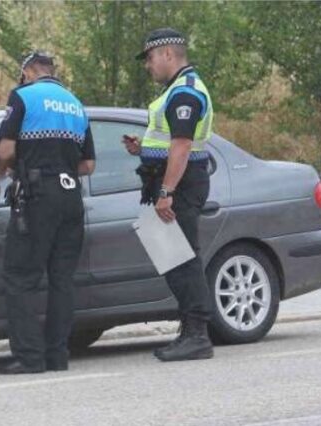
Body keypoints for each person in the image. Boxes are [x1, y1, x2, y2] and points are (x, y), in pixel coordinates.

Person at [0, 51, 96, 374]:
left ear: (27, 71)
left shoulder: (24, 96)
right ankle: (57, 356)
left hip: (38, 197)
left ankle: (29, 357)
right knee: (61, 280)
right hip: (71, 199)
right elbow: (88, 165)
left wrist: (7, 169)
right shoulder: (75, 103)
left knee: (20, 277)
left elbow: (6, 148)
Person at [123, 28, 215, 362]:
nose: (148, 66)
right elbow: (168, 143)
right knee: (171, 259)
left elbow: (182, 145)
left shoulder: (185, 93)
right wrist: (143, 149)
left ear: (167, 55)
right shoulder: (174, 91)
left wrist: (166, 192)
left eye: (149, 58)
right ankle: (189, 329)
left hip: (180, 185)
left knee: (183, 259)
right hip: (170, 181)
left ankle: (197, 335)